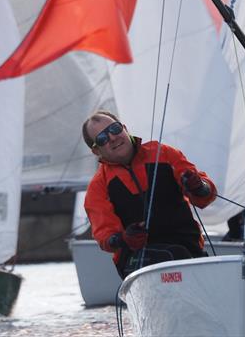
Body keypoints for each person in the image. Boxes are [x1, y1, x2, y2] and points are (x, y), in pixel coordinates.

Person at [82, 110, 217, 279]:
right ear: (96, 151)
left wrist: (198, 187)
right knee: (174, 255)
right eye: (103, 138)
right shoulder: (98, 188)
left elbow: (205, 198)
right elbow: (105, 237)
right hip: (138, 263)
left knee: (178, 253)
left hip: (188, 251)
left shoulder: (164, 154)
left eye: (115, 129)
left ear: (124, 128)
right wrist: (125, 239)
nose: (113, 138)